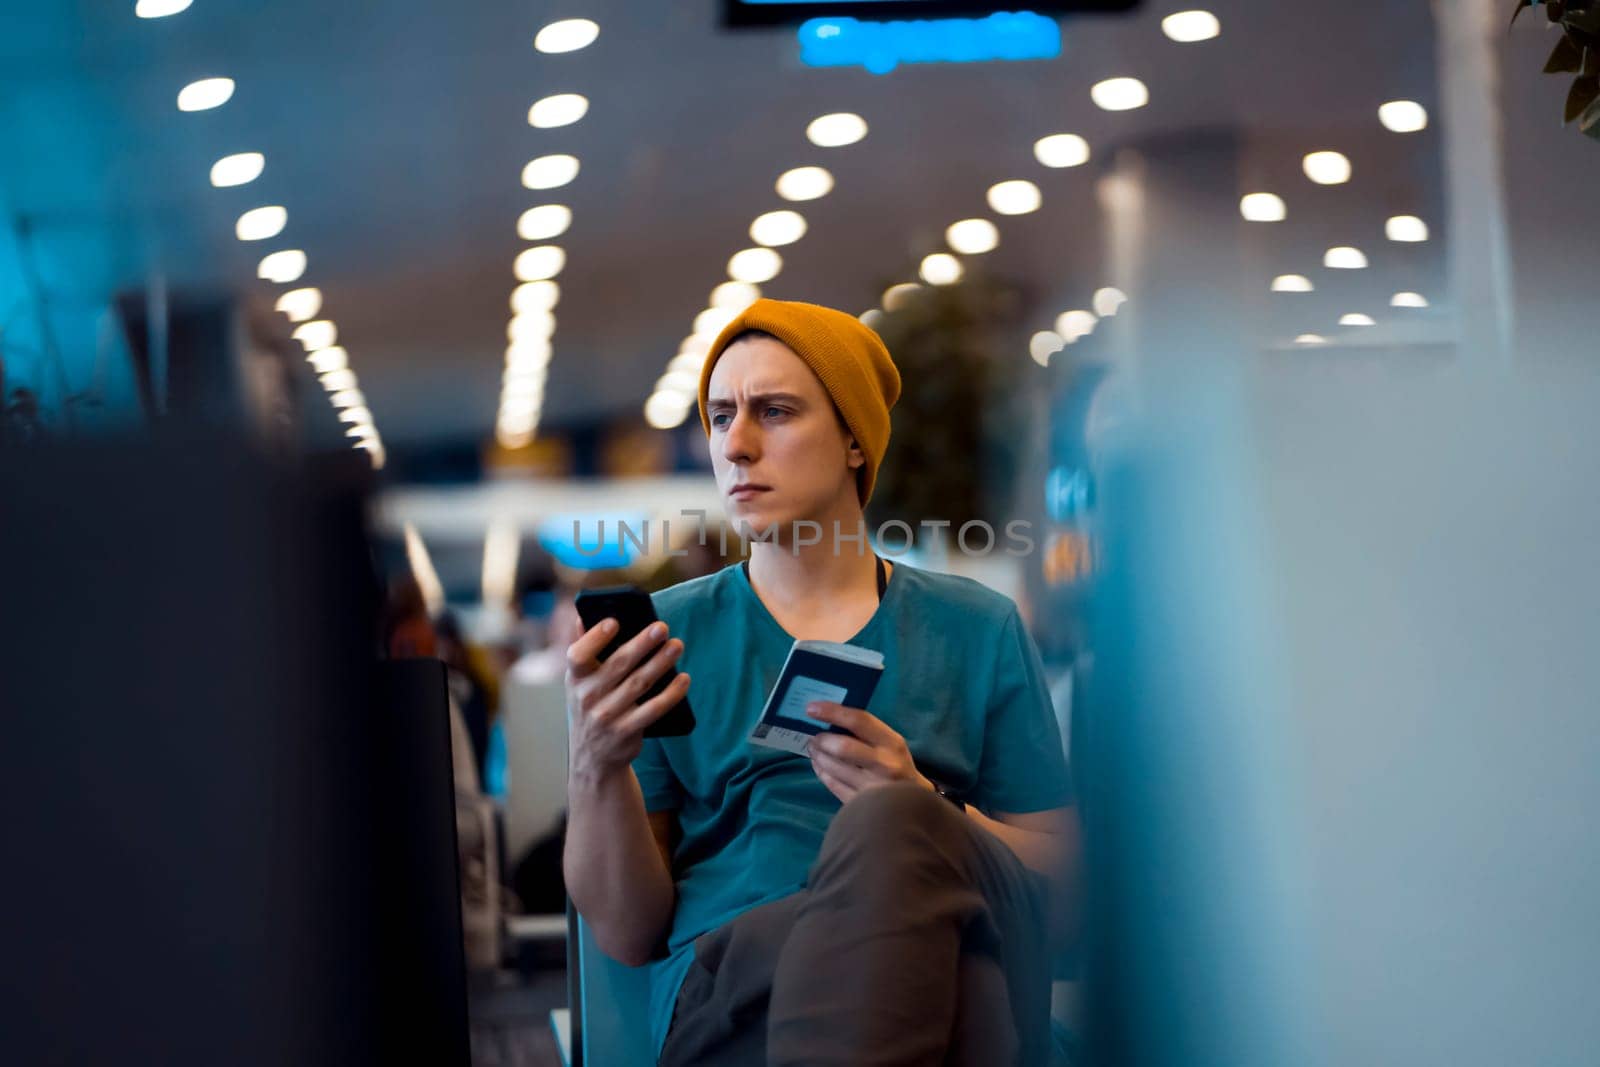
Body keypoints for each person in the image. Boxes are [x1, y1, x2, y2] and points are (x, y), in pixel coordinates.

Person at [563, 299, 1078, 1065]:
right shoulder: (665, 639)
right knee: (965, 988)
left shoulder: (975, 626)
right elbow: (627, 933)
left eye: (773, 411)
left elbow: (1066, 885)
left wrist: (928, 812)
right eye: (719, 416)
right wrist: (596, 765)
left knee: (896, 830)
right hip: (744, 980)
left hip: (935, 948)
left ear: (852, 441)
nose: (735, 445)